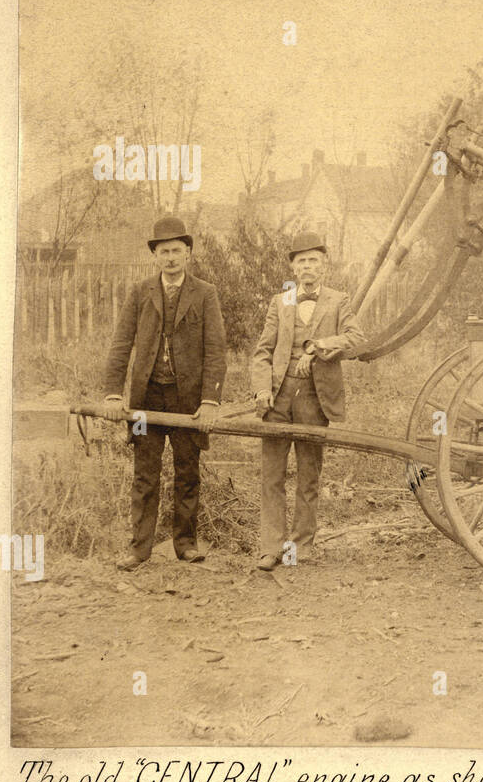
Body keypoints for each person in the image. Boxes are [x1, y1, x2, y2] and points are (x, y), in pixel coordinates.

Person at [101, 215, 227, 570]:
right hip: (146, 402)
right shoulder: (140, 292)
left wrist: (210, 401)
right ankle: (139, 548)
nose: (170, 257)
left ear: (188, 253)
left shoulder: (205, 293)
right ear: (155, 255)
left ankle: (186, 543)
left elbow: (216, 350)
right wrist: (113, 393)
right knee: (145, 473)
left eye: (176, 250)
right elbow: (121, 343)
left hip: (188, 403)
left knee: (188, 472)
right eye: (163, 251)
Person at [251, 232, 365, 571]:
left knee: (308, 476)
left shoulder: (338, 300)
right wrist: (261, 390)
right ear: (292, 267)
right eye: (301, 261)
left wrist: (318, 346)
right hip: (278, 398)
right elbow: (262, 352)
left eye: (314, 260)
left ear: (324, 265)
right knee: (271, 475)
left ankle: (299, 549)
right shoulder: (280, 302)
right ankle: (271, 549)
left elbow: (356, 339)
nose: (308, 267)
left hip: (315, 400)